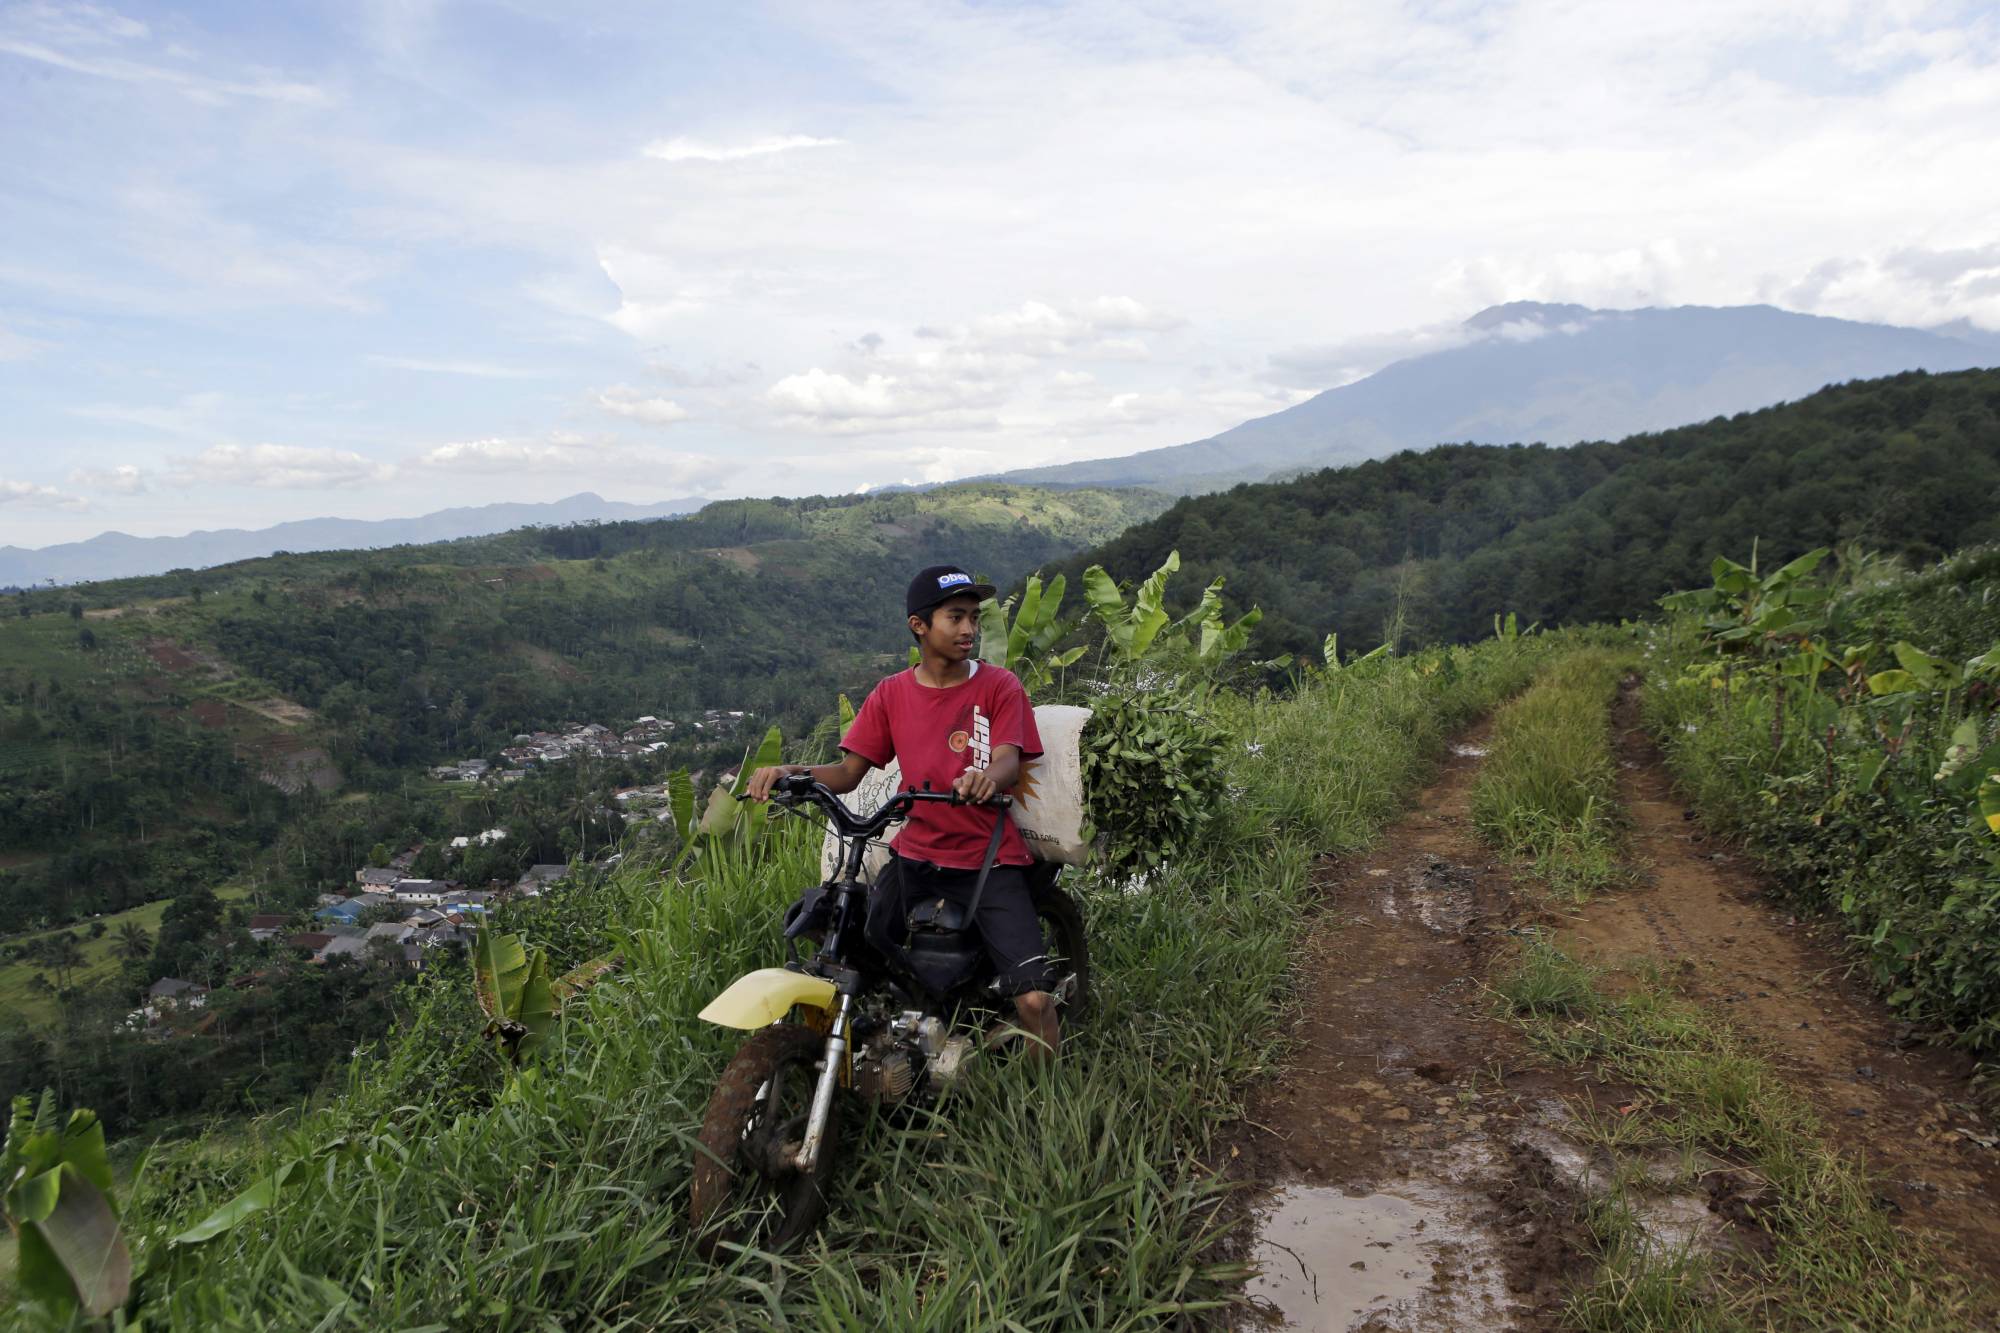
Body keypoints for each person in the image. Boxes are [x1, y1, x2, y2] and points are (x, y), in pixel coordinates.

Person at [747, 564, 1059, 1062]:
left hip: (989, 858)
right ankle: (907, 1038)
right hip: (916, 855)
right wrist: (790, 771)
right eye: (955, 617)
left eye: (973, 618)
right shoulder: (891, 693)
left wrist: (986, 779)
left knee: (1035, 998)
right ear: (919, 625)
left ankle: (1051, 1100)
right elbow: (848, 773)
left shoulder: (998, 686)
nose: (969, 630)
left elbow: (1005, 757)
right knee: (866, 946)